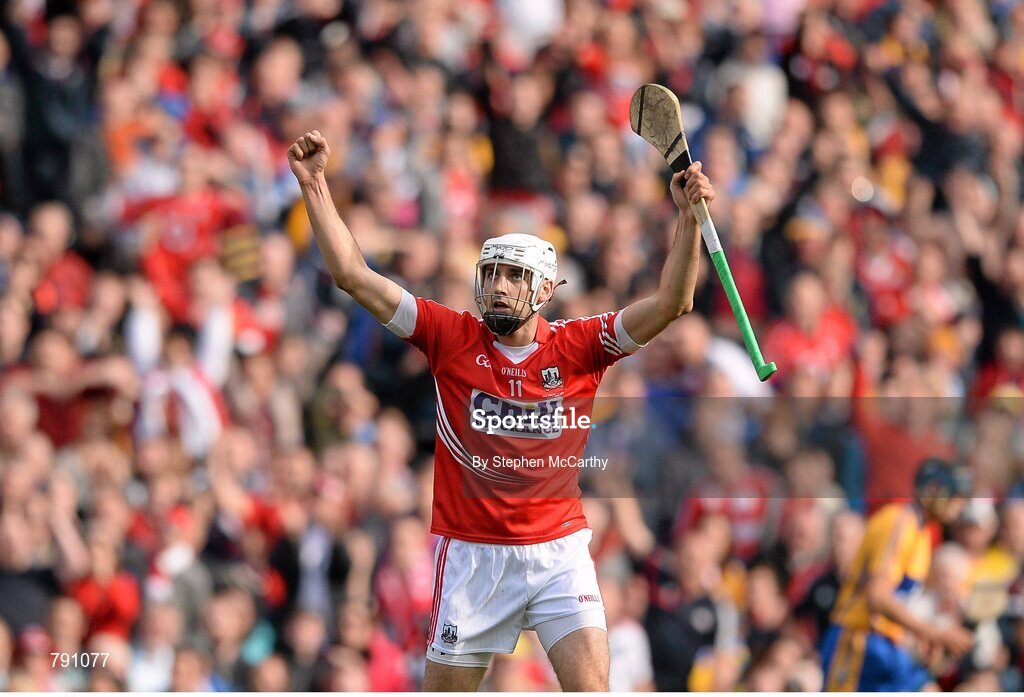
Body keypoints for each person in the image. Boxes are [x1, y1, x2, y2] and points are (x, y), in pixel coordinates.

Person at [288, 129, 710, 690]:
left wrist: (688, 220)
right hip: (474, 561)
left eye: (515, 276)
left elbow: (673, 302)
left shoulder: (582, 345)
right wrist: (316, 185)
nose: (499, 287)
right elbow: (352, 275)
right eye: (491, 274)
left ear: (545, 290)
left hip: (559, 554)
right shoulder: (449, 335)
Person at [821, 457, 976, 691]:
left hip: (886, 645)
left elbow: (900, 600)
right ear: (933, 490)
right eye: (955, 496)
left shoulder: (923, 534)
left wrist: (922, 638)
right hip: (858, 641)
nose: (959, 505)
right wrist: (933, 632)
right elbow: (878, 597)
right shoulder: (898, 522)